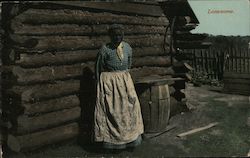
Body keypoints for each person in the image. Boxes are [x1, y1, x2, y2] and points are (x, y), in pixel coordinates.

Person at [94, 24, 144, 150]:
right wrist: (103, 83)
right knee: (114, 111)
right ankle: (113, 142)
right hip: (110, 83)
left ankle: (132, 139)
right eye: (115, 35)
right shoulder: (105, 49)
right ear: (110, 36)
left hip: (125, 81)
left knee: (130, 108)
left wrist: (123, 77)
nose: (117, 38)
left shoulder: (127, 47)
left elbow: (129, 63)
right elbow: (98, 68)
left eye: (120, 35)